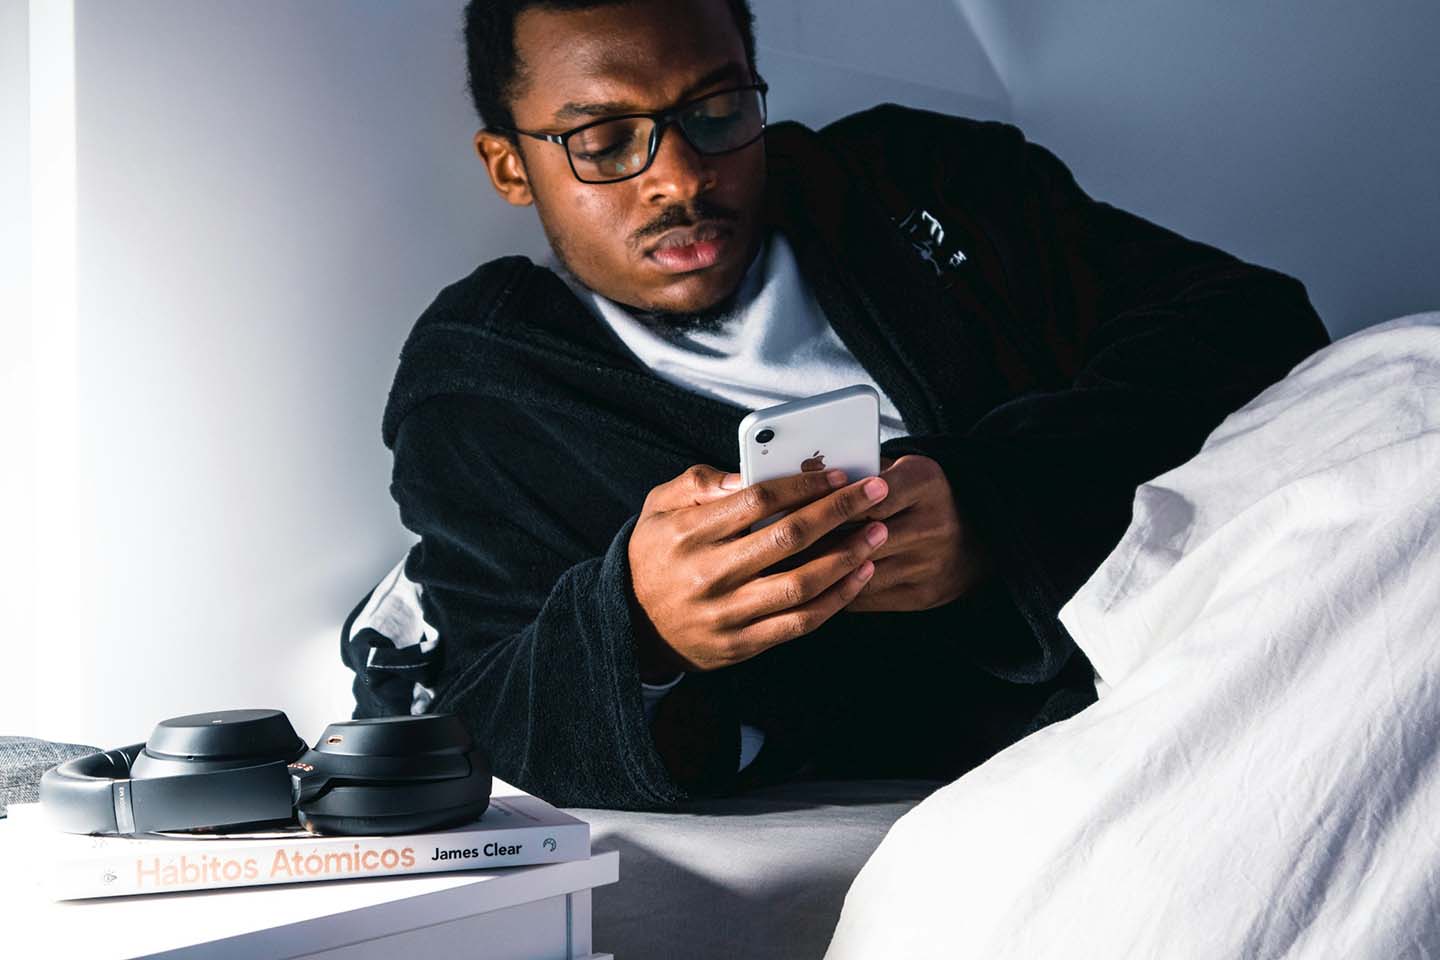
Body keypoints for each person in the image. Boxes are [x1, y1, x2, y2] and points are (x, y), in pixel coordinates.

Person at [339, 0, 1330, 809]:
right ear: (512, 165)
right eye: (604, 142)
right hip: (1021, 761)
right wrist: (638, 631)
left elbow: (1249, 321)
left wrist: (994, 506)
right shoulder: (485, 393)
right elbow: (475, 702)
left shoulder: (923, 181)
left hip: (1231, 618)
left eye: (718, 112)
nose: (681, 179)